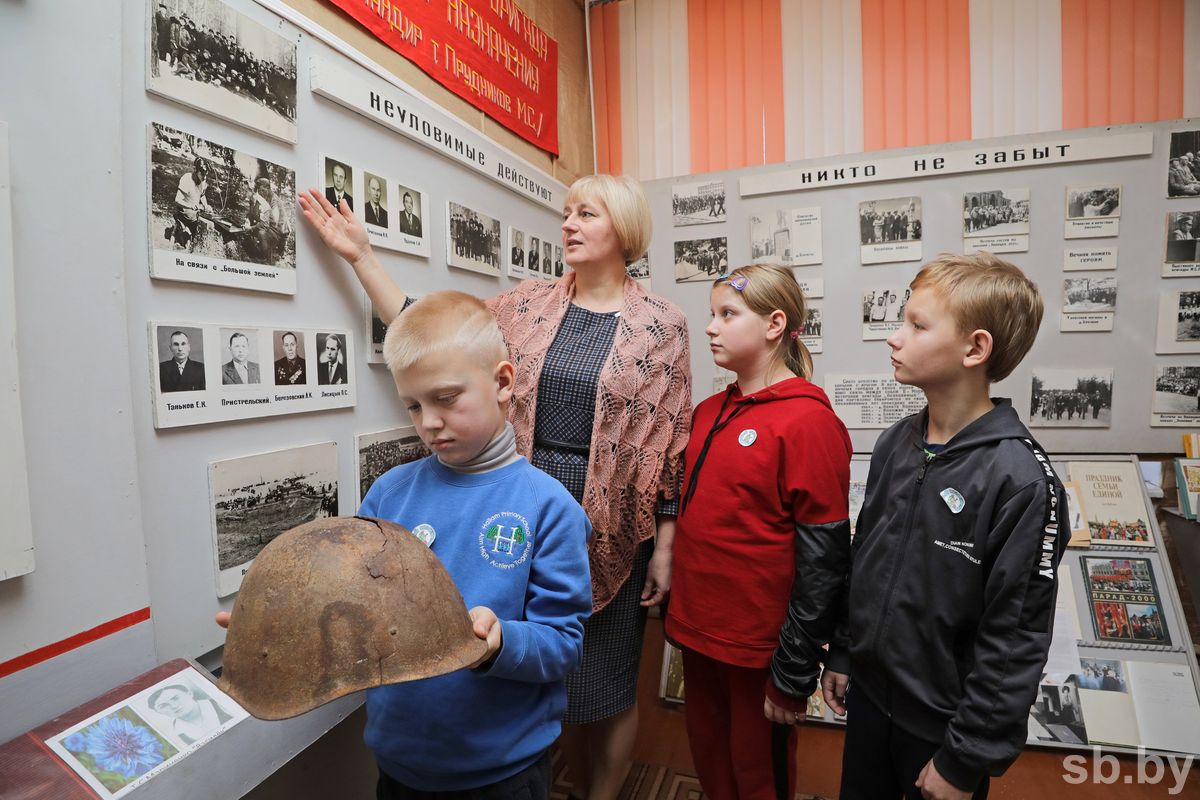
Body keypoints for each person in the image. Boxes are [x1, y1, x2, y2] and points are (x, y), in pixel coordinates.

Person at [297, 172, 692, 800]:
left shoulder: (661, 325)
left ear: (624, 227)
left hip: (608, 520)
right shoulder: (526, 305)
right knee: (510, 667)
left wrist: (664, 545)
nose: (567, 224)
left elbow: (667, 446)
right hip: (505, 494)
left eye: (585, 213)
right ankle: (528, 769)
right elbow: (433, 337)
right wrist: (361, 257)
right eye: (566, 212)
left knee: (605, 684)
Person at [823, 252, 1069, 800]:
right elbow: (864, 558)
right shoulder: (896, 442)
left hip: (941, 730)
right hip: (869, 701)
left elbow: (1016, 636)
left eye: (916, 325)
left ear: (974, 348)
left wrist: (965, 758)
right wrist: (842, 651)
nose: (894, 337)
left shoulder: (1022, 480)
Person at [666, 265, 851, 800]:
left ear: (774, 324)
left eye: (728, 314)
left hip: (758, 647)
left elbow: (825, 559)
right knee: (709, 754)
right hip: (699, 629)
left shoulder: (808, 422)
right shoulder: (708, 412)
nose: (710, 328)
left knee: (758, 773)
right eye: (711, 314)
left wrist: (794, 672)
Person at [148, 682, 233, 746]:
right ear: (158, 712)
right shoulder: (174, 736)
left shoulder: (222, 704)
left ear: (189, 693)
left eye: (176, 698)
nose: (174, 706)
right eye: (163, 706)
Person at [168, 157, 210, 250]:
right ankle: (182, 232)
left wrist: (206, 206)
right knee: (184, 243)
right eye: (202, 173)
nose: (204, 177)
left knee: (192, 242)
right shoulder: (187, 179)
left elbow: (202, 195)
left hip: (194, 217)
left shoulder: (203, 181)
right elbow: (177, 200)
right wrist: (191, 206)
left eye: (206, 174)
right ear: (195, 169)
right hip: (184, 215)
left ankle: (188, 236)